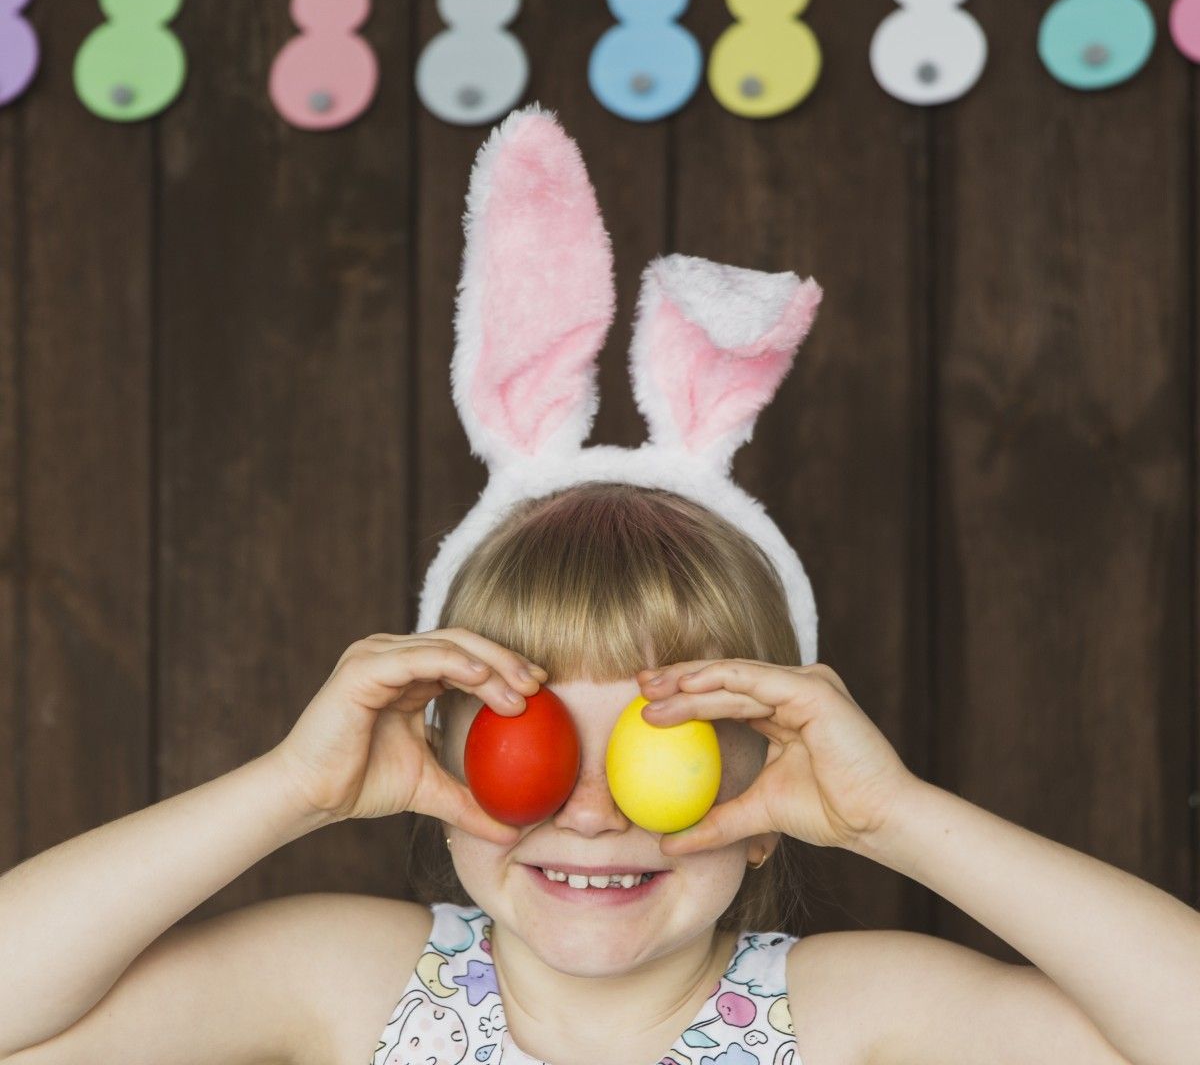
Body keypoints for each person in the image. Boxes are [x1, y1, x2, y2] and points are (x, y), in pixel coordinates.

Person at [2, 480, 1200, 1065]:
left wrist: (899, 818)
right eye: (532, 747)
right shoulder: (356, 982)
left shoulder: (847, 1016)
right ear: (437, 763)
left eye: (655, 751)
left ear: (771, 797)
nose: (587, 810)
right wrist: (288, 787)